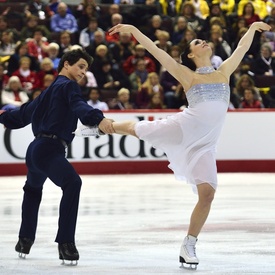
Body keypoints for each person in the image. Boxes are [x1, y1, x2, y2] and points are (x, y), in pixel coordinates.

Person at [105, 21, 271, 268]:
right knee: (139, 129)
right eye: (196, 42)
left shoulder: (224, 71)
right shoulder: (187, 74)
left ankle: (189, 244)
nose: (203, 41)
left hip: (204, 145)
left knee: (208, 194)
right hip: (182, 127)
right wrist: (136, 31)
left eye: (203, 40)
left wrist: (252, 28)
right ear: (191, 55)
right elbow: (157, 52)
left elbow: (242, 48)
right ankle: (102, 126)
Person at [0, 49, 114, 263]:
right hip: (49, 150)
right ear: (67, 64)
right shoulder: (68, 86)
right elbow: (79, 105)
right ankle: (66, 243)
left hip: (34, 151)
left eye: (86, 69)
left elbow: (23, 114)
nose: (83, 73)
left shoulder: (47, 91)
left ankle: (24, 239)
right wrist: (98, 118)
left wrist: (4, 117)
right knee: (72, 183)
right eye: (80, 66)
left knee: (32, 190)